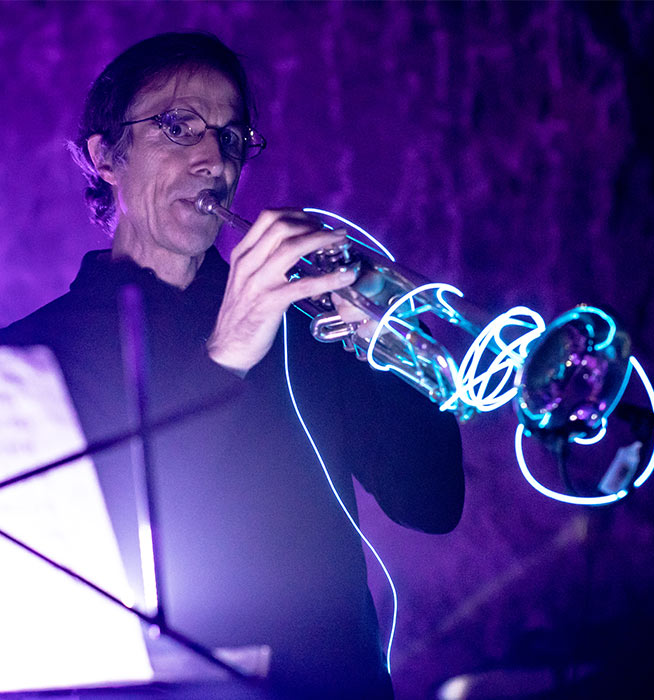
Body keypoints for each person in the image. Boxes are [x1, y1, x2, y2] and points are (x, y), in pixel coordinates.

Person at [0, 32, 463, 698]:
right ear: (106, 156)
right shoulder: (32, 353)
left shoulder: (304, 320)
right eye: (176, 127)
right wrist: (227, 353)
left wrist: (395, 348)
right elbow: (99, 557)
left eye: (231, 137)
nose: (213, 159)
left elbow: (432, 502)